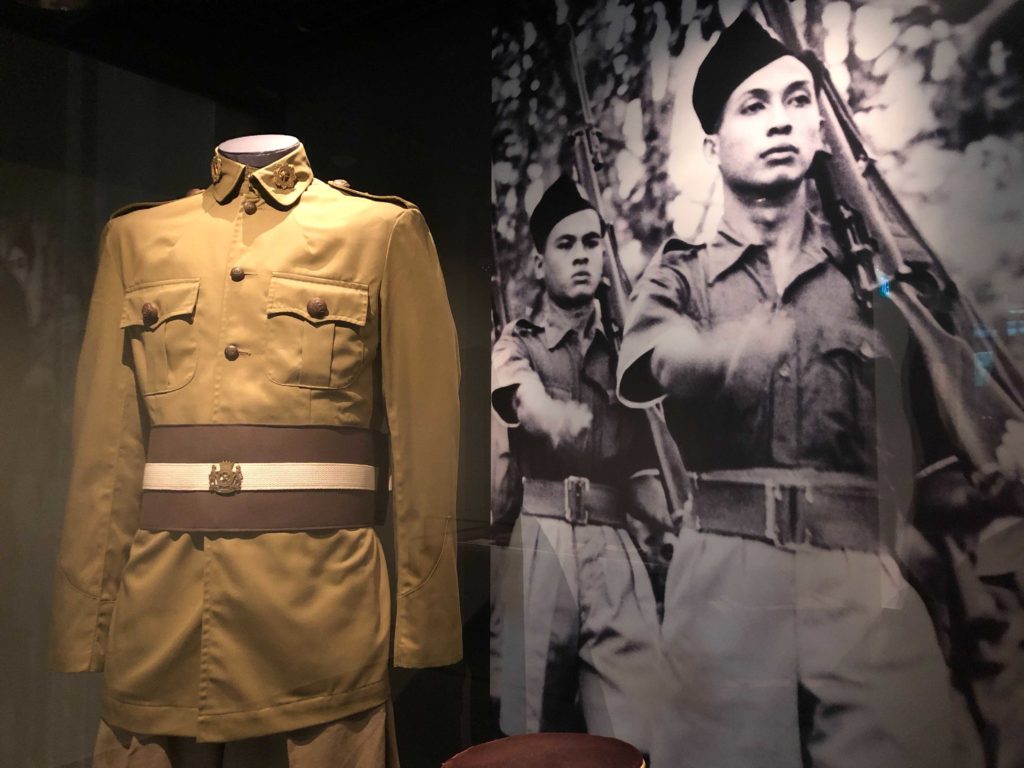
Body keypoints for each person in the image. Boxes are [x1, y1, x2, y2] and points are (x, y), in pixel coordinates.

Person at [616, 13, 956, 767]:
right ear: (712, 144)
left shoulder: (875, 275)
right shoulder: (680, 275)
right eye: (754, 105)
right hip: (726, 583)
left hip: (862, 577)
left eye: (797, 99)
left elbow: (941, 420)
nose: (781, 120)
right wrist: (724, 350)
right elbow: (662, 357)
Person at [492, 175, 662, 753]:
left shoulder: (624, 354)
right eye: (566, 244)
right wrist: (554, 418)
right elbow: (521, 397)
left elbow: (643, 467)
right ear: (540, 263)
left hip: (615, 550)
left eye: (592, 243)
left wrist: (676, 521)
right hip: (540, 542)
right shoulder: (521, 340)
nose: (583, 255)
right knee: (525, 725)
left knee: (634, 729)